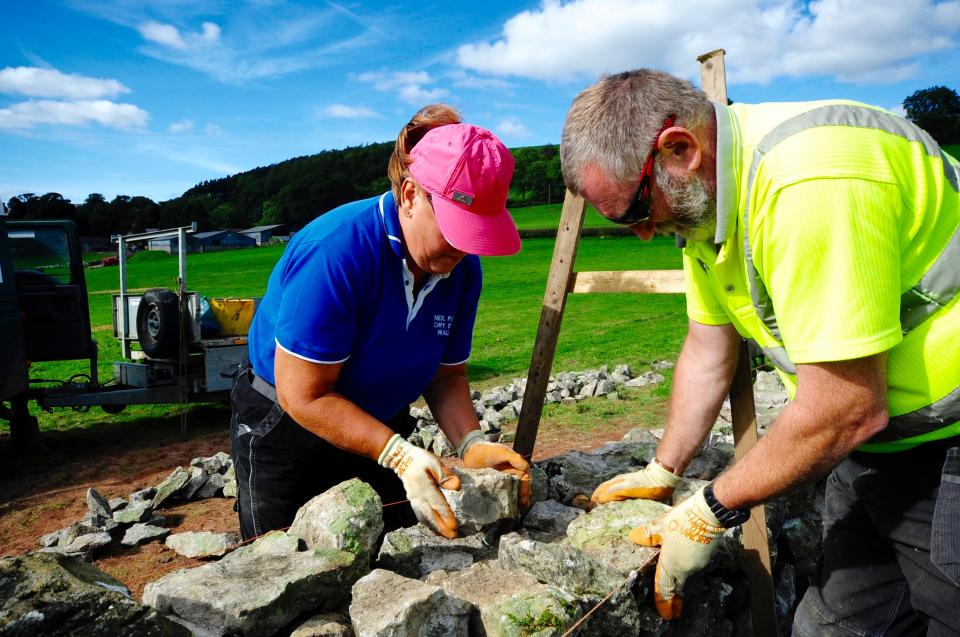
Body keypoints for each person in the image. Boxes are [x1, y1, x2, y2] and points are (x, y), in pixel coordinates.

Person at [561, 69, 960, 634]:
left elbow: (847, 405)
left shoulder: (809, 180)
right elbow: (708, 346)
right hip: (884, 443)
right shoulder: (708, 207)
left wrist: (709, 510)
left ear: (679, 149)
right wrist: (664, 468)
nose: (645, 235)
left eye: (634, 214)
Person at [231, 104, 531, 544]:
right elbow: (305, 394)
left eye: (476, 234)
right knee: (284, 565)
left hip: (379, 424)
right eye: (455, 228)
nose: (465, 250)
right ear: (410, 195)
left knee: (389, 559)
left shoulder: (461, 268)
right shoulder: (337, 251)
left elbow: (447, 373)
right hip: (287, 426)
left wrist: (470, 443)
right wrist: (398, 455)